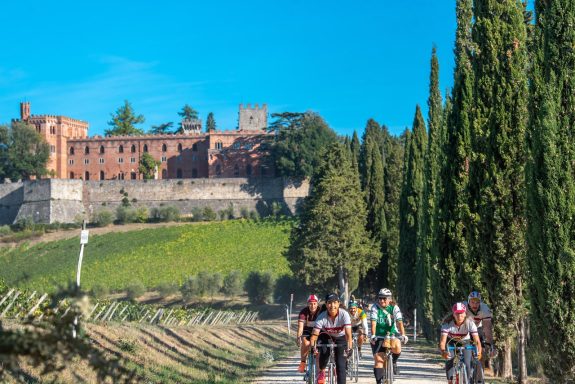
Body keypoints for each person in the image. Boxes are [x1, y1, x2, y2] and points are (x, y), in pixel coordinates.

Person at [310, 293, 352, 384]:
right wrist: (313, 347)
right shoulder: (321, 317)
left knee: (341, 365)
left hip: (341, 337)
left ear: (338, 304)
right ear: (326, 304)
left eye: (335, 303)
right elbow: (314, 335)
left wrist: (350, 347)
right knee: (324, 355)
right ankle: (322, 371)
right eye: (329, 303)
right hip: (326, 336)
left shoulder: (344, 314)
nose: (332, 306)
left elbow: (348, 334)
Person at [370, 288, 408, 383]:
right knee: (379, 361)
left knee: (398, 346)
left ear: (390, 299)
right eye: (380, 298)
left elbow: (399, 322)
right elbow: (373, 323)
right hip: (378, 335)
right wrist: (373, 335)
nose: (382, 300)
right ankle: (379, 381)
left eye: (384, 298)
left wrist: (403, 334)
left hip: (392, 334)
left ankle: (393, 362)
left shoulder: (394, 307)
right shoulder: (375, 307)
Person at [439, 302, 483, 384]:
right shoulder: (447, 324)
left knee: (468, 363)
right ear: (453, 314)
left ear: (465, 314)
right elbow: (442, 342)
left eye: (462, 313)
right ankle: (450, 381)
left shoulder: (470, 323)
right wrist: (443, 352)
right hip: (452, 342)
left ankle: (468, 380)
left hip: (465, 342)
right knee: (450, 358)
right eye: (457, 314)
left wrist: (479, 351)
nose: (459, 316)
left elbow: (477, 341)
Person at [296, 294, 320, 373]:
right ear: (307, 304)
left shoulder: (321, 311)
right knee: (306, 343)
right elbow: (300, 327)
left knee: (320, 347)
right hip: (307, 331)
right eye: (310, 303)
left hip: (318, 332)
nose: (312, 306)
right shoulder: (303, 312)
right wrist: (298, 337)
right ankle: (303, 363)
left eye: (314, 303)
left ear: (317, 304)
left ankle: (320, 369)